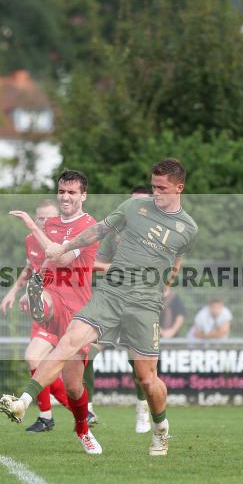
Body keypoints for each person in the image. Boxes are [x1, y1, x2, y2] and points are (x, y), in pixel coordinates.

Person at [0, 158, 198, 457]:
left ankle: (160, 428)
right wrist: (63, 248)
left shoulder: (188, 228)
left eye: (162, 188)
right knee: (68, 343)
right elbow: (98, 230)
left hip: (144, 304)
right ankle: (23, 402)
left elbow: (177, 258)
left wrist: (167, 282)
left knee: (146, 379)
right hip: (111, 294)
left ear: (179, 188)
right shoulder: (133, 208)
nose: (155, 193)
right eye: (153, 186)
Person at [4, 169, 101, 452]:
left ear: (83, 195)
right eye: (62, 191)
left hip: (79, 308)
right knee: (35, 351)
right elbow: (47, 266)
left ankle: (83, 430)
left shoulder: (90, 225)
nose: (66, 197)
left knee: (73, 386)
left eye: (72, 192)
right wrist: (31, 289)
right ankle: (39, 305)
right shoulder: (53, 224)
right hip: (54, 297)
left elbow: (63, 255)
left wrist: (33, 227)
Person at [0, 198, 73, 433]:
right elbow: (31, 268)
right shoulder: (30, 240)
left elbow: (51, 273)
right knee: (34, 359)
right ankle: (48, 415)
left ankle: (76, 409)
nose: (44, 222)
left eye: (49, 217)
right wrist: (14, 291)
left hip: (61, 310)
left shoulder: (61, 242)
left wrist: (33, 293)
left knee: (64, 368)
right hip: (42, 309)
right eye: (40, 217)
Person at [90, 185, 154, 433]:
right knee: (87, 350)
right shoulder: (115, 232)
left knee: (137, 363)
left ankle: (142, 409)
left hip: (140, 302)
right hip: (112, 298)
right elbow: (99, 263)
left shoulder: (159, 235)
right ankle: (88, 409)